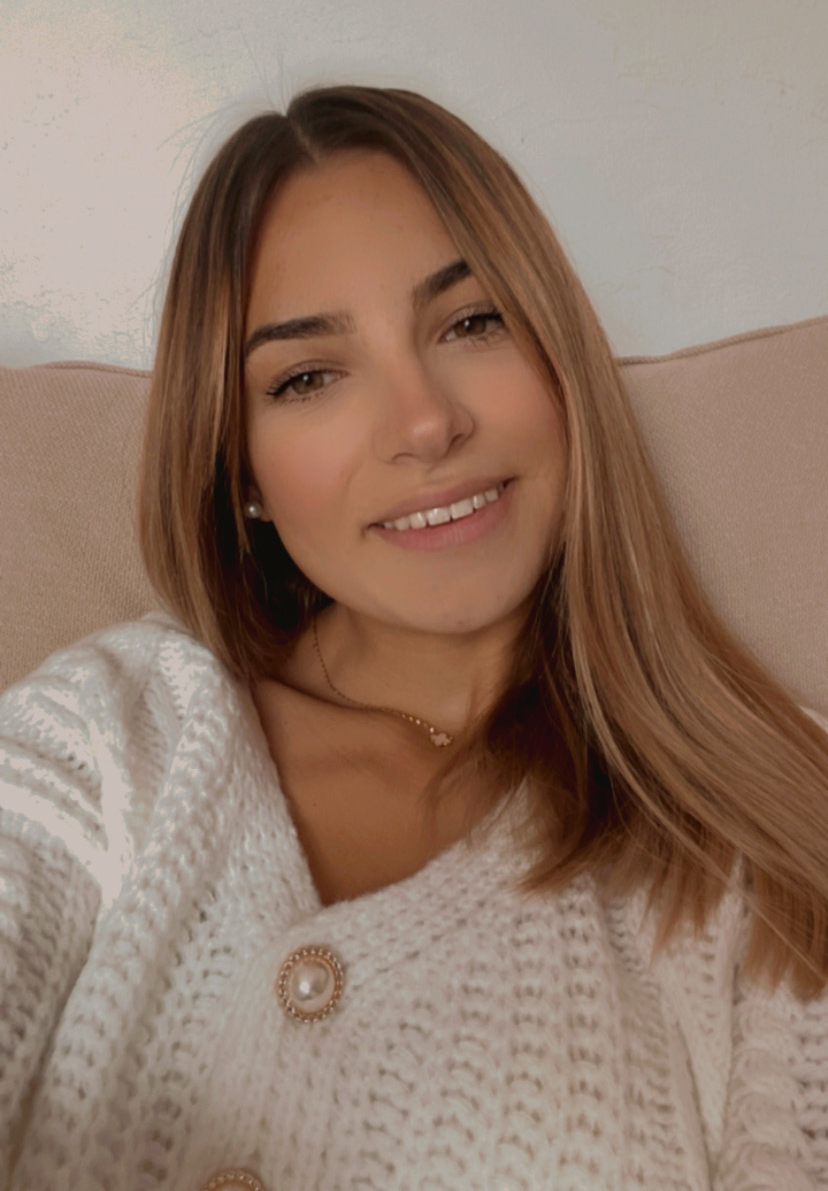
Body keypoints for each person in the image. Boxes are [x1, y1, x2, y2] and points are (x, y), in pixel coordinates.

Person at [1, 84, 827, 1191]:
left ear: (563, 363)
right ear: (239, 468)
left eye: (472, 322)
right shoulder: (108, 733)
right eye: (308, 376)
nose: (428, 422)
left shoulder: (777, 820)